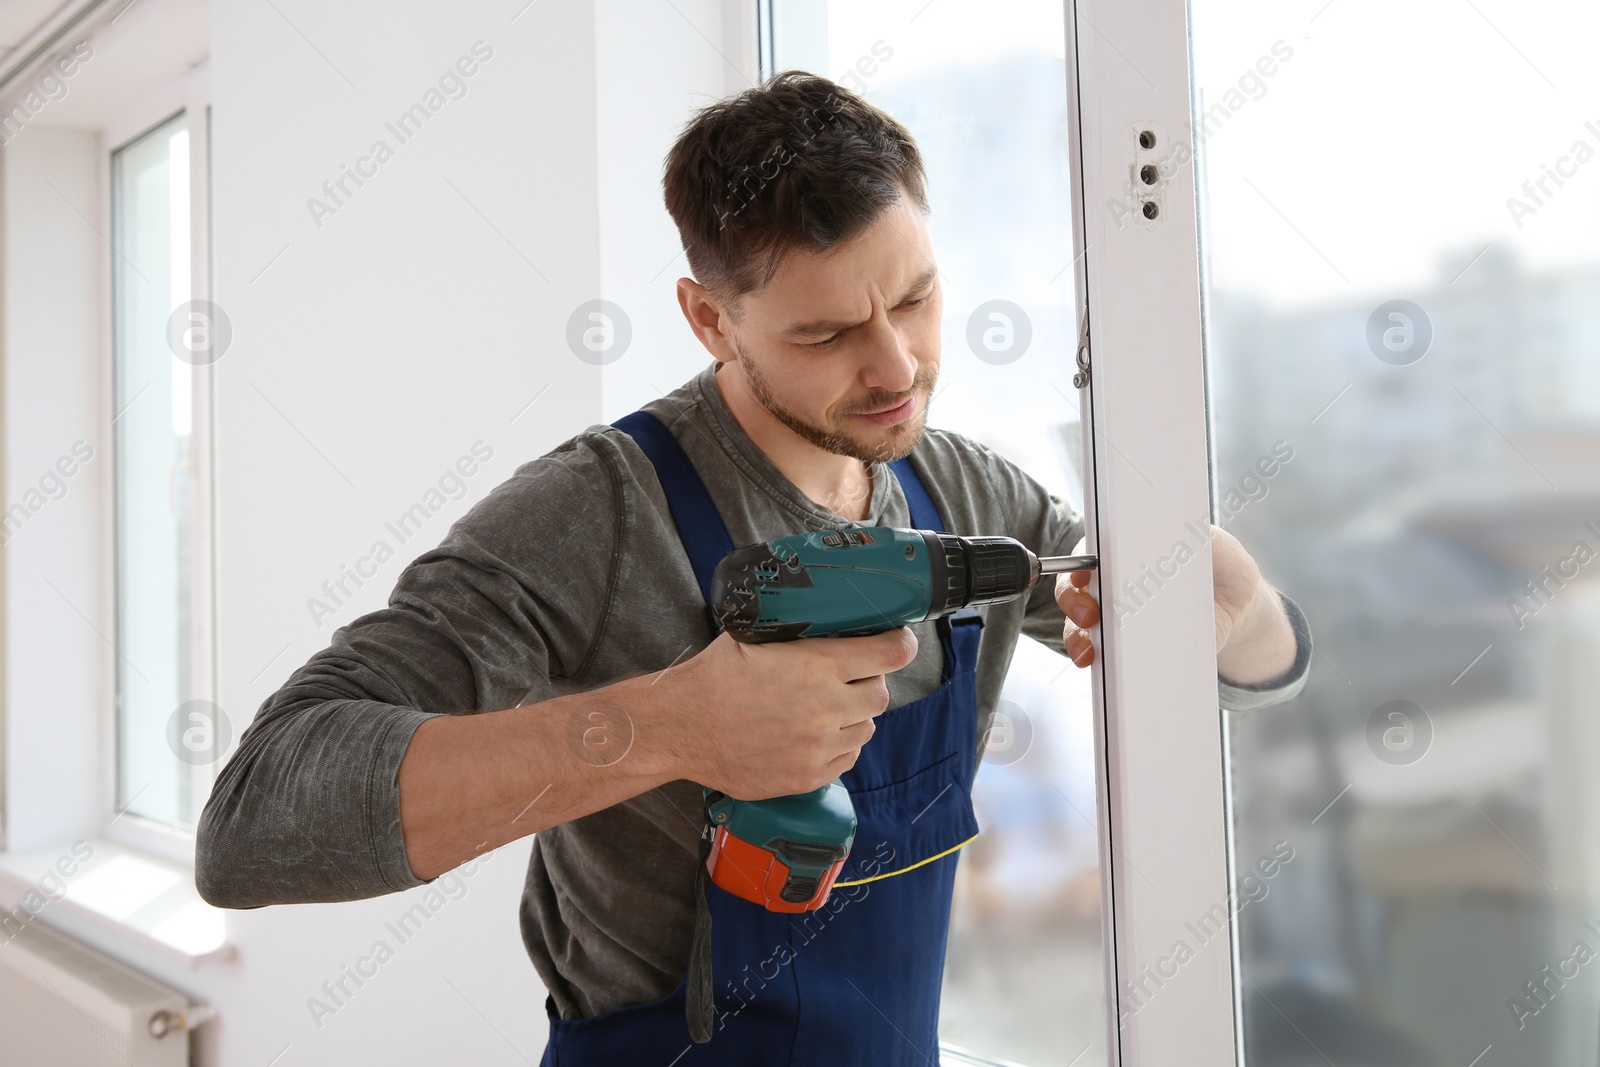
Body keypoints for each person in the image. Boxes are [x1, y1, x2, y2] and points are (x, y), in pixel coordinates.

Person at [195, 71, 1311, 1064]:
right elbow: (251, 824)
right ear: (708, 319)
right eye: (823, 335)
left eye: (915, 297)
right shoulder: (596, 514)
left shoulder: (968, 496)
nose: (894, 367)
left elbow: (1242, 675)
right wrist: (671, 726)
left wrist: (1241, 610)